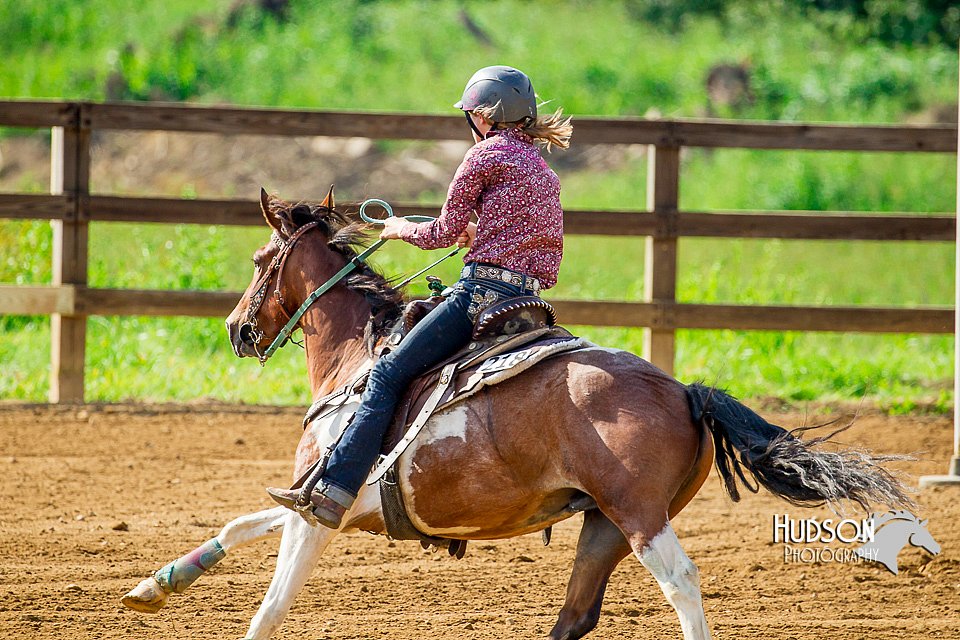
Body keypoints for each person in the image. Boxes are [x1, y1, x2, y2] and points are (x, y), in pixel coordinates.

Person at [267, 65, 573, 528]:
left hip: (480, 298)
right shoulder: (543, 171)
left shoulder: (484, 157)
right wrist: (483, 233)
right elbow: (536, 244)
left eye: (470, 114)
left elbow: (441, 233)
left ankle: (334, 489)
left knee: (388, 372)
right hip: (527, 302)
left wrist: (398, 228)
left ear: (483, 116)